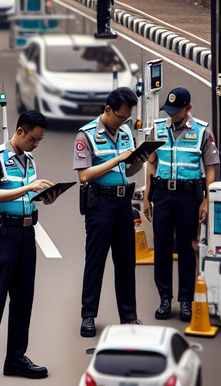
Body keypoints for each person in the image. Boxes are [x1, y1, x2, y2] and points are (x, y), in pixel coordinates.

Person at [0, 110, 59, 383]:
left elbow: (28, 193)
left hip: (26, 233)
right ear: (20, 131)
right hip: (2, 234)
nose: (37, 144)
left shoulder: (29, 159)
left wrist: (44, 196)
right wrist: (28, 188)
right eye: (34, 138)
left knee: (23, 298)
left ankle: (15, 358)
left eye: (40, 140)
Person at [74, 87, 147, 337]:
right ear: (107, 109)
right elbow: (84, 174)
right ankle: (88, 316)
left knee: (126, 261)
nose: (123, 122)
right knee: (95, 260)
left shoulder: (126, 132)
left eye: (126, 118)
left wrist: (140, 159)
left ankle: (129, 316)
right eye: (120, 117)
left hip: (123, 203)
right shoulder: (86, 135)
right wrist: (117, 160)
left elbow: (129, 170)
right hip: (100, 203)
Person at [141, 88, 218, 323]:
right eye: (169, 111)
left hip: (188, 197)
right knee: (162, 248)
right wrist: (147, 195)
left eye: (176, 112)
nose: (171, 116)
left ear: (188, 109)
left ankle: (186, 300)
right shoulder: (158, 129)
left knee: (187, 249)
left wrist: (207, 199)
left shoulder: (203, 131)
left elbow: (211, 168)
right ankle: (165, 299)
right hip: (162, 194)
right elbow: (151, 164)